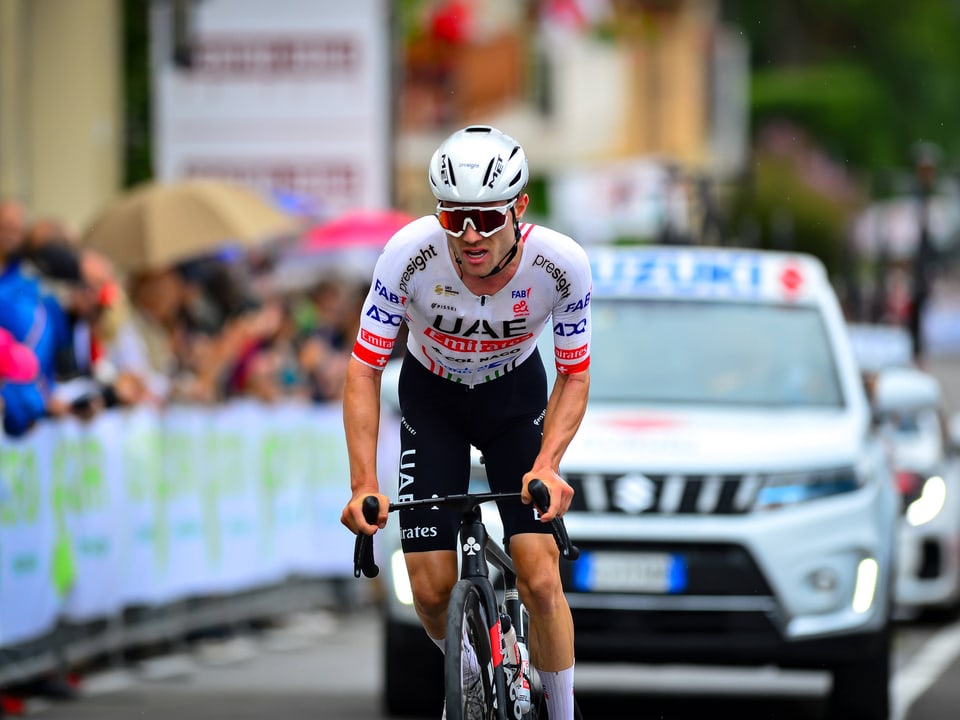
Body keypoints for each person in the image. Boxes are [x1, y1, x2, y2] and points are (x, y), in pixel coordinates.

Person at [340, 125, 592, 719]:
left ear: (520, 208)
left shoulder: (561, 265)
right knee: (427, 589)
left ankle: (561, 711)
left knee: (537, 575)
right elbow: (362, 371)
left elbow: (574, 375)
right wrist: (361, 485)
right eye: (454, 219)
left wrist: (548, 466)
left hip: (513, 404)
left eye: (485, 217)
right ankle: (471, 678)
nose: (470, 235)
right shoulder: (408, 255)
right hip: (434, 402)